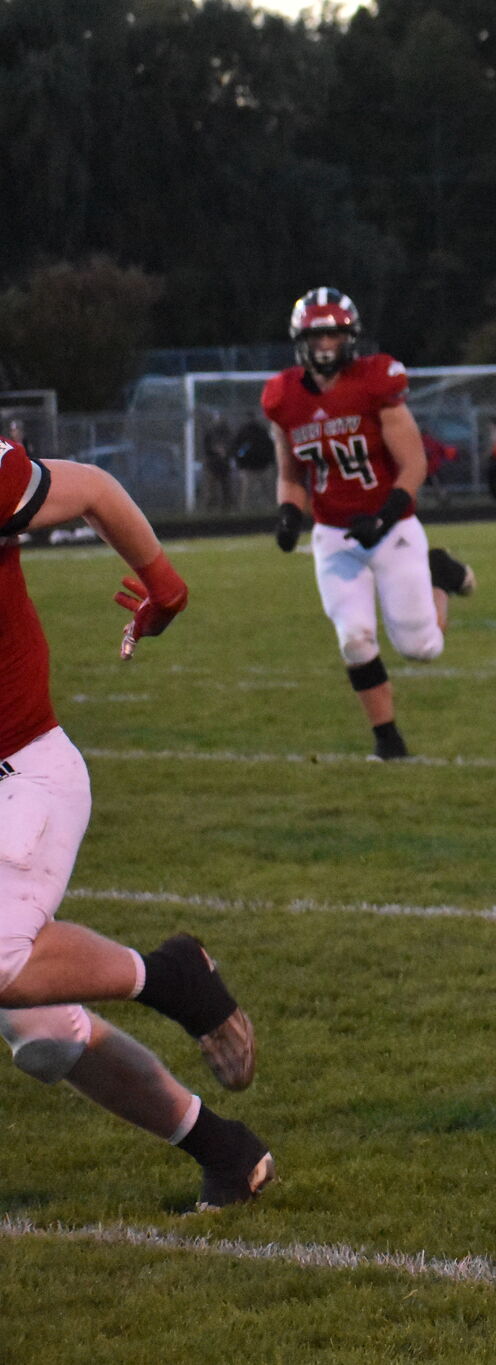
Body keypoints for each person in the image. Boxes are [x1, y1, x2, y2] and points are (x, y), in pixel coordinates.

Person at [0, 435, 274, 1210]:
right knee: (47, 1033)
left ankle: (170, 975)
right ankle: (227, 1152)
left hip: (22, 770)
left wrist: (166, 584)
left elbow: (89, 487)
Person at [265, 288, 476, 761]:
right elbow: (290, 475)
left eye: (334, 334)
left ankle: (438, 575)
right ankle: (388, 741)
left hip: (393, 528)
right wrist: (287, 513)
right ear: (300, 340)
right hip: (335, 535)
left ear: (351, 337)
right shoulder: (283, 398)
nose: (325, 345)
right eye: (317, 334)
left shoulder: (375, 383)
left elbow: (415, 463)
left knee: (422, 649)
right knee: (355, 638)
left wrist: (382, 517)